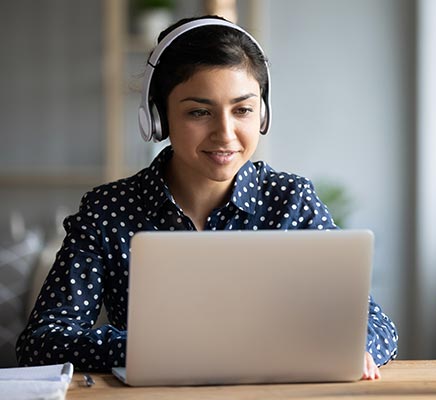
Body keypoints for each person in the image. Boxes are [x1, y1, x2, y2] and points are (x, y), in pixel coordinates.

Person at [16, 15, 397, 380]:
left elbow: (377, 325)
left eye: (243, 109)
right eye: (200, 112)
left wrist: (351, 346)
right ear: (158, 118)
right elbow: (43, 342)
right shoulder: (108, 210)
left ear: (262, 114)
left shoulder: (291, 200)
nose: (225, 133)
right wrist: (159, 349)